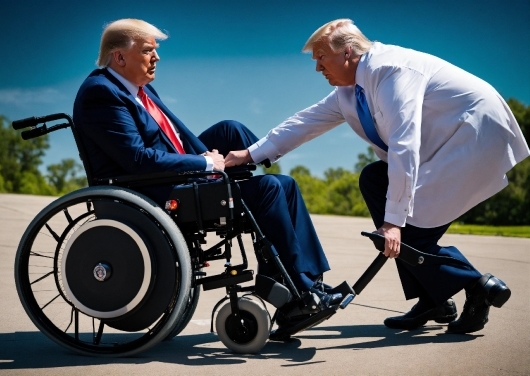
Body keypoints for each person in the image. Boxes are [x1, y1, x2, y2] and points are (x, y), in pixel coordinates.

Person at [225, 19, 530, 334]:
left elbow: (404, 142)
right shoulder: (349, 91)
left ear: (347, 53)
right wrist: (249, 154)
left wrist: (394, 221)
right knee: (374, 179)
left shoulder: (392, 72)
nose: (317, 68)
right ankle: (435, 298)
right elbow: (304, 122)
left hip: (473, 133)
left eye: (321, 58)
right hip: (443, 143)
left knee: (412, 231)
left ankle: (478, 285)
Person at [72, 18, 342, 307]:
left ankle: (307, 279)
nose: (157, 57)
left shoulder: (140, 89)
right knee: (269, 189)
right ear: (120, 56)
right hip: (151, 190)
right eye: (148, 50)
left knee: (270, 170)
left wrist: (210, 162)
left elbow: (171, 138)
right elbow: (137, 160)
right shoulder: (101, 93)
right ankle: (295, 290)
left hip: (170, 174)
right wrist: (204, 165)